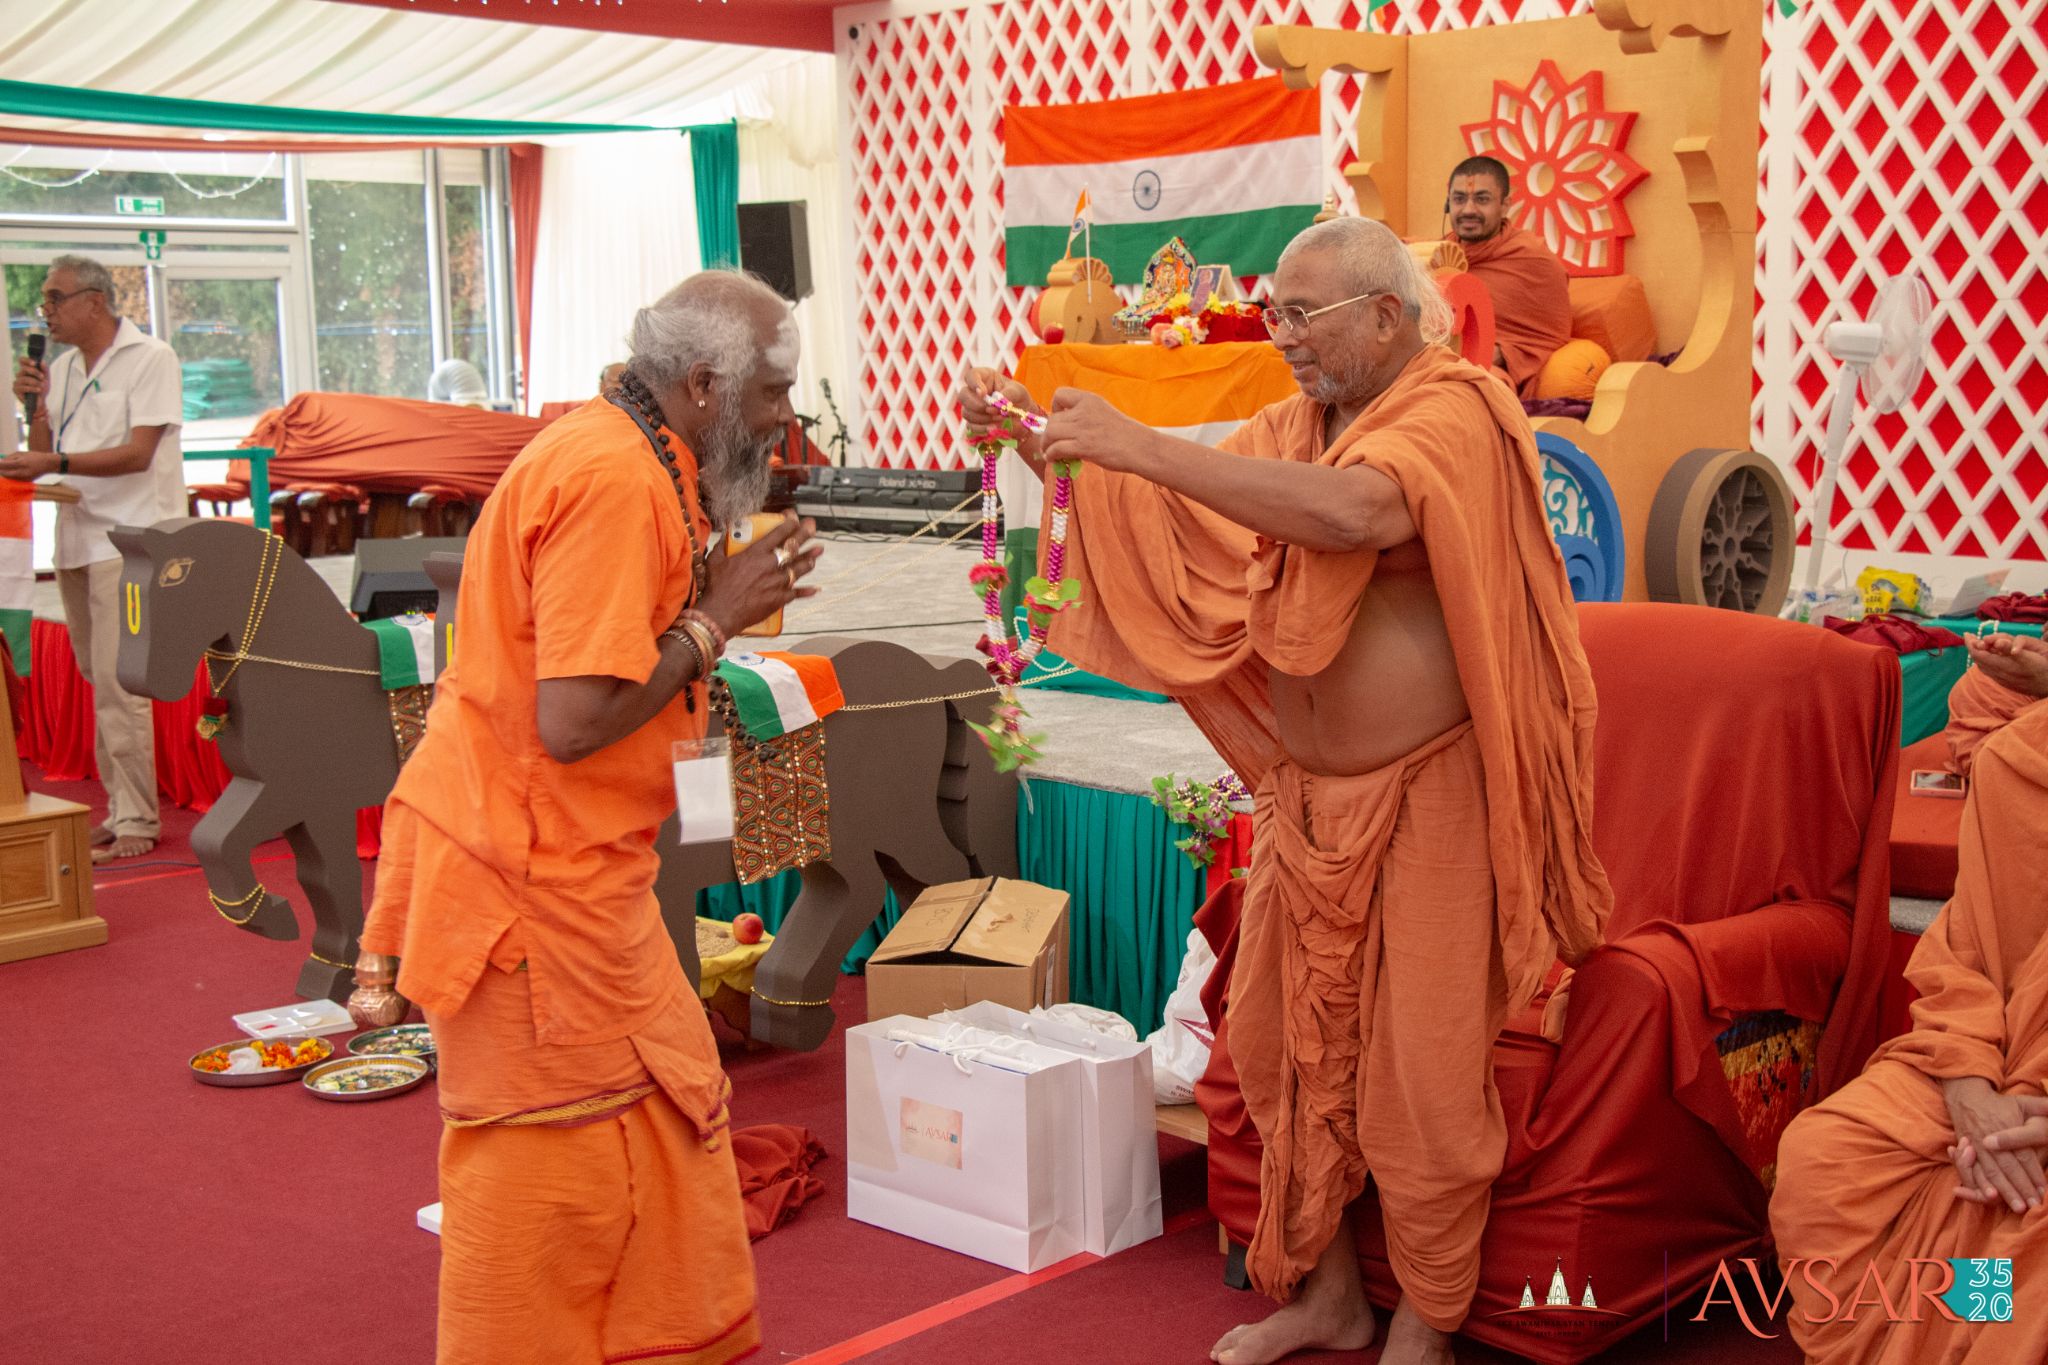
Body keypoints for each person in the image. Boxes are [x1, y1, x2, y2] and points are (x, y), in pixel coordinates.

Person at [957, 216, 1611, 1365]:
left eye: (1301, 316)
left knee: (1422, 1077)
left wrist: (1134, 446)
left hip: (1429, 800)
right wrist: (1042, 439)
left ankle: (1425, 1323)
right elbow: (1202, 503)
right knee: (1287, 1054)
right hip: (1304, 801)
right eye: (1273, 314)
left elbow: (1357, 513)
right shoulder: (1300, 421)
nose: (1282, 337)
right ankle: (1325, 1296)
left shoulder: (1456, 409)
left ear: (1385, 315)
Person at [356, 270, 822, 1365]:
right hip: (528, 880)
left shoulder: (643, 457)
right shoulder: (613, 478)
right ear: (703, 385)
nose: (785, 421)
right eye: (772, 395)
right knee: (554, 1169)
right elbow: (571, 721)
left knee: (663, 1108)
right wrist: (716, 621)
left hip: (571, 868)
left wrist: (713, 597)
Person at [1768, 699, 2047, 1364]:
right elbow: (1967, 950)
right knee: (1823, 1157)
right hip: (1995, 1052)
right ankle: (1952, 1319)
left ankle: (1968, 1326)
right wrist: (1971, 1091)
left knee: (2022, 1233)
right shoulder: (2018, 761)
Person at [6, 254, 184, 863]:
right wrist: (32, 410)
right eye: (44, 301)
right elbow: (46, 452)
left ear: (95, 301)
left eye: (55, 298)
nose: (46, 311)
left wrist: (52, 464)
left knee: (118, 681)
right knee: (94, 675)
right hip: (78, 537)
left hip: (132, 541)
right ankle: (119, 807)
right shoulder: (60, 367)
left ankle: (137, 817)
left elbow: (138, 454)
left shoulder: (150, 358)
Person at [1444, 156, 1572, 398]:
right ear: (1447, 203)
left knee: (1474, 387)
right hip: (1433, 362)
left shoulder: (1534, 261)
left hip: (1491, 369)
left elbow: (1550, 335)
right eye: (1459, 199)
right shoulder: (1440, 255)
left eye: (1482, 199)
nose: (1468, 210)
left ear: (1505, 205)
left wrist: (1500, 352)